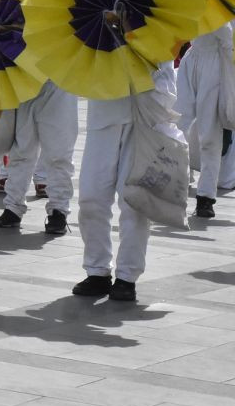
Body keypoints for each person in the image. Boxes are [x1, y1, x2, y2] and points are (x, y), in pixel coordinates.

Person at [75, 61, 178, 302]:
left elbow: (164, 67)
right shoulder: (92, 24)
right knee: (90, 197)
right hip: (103, 109)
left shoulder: (156, 25)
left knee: (134, 201)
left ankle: (127, 276)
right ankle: (97, 271)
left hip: (143, 114)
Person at [0, 80, 77, 235]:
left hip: (58, 83)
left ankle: (58, 211)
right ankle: (13, 207)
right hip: (24, 83)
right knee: (20, 151)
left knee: (59, 153)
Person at [177, 23, 234, 219]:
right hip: (192, 58)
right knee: (177, 124)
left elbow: (228, 36)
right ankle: (174, 183)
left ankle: (205, 198)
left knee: (210, 134)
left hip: (215, 64)